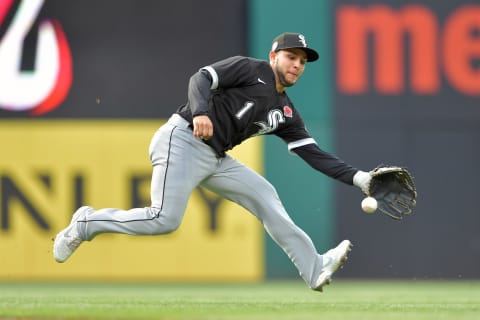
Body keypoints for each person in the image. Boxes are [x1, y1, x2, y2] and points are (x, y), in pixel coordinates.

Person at [53, 32, 372, 292]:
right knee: (164, 219)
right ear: (273, 57)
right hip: (183, 139)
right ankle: (86, 224)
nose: (297, 65)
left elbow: (314, 154)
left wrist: (361, 179)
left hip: (215, 157)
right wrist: (201, 111)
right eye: (291, 57)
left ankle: (314, 268)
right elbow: (201, 78)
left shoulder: (285, 111)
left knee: (264, 195)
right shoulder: (250, 69)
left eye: (302, 61)